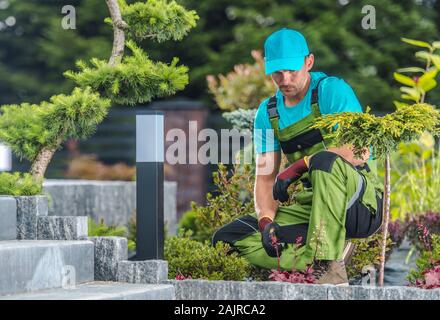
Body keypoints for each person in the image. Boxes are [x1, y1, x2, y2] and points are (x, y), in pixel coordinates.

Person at [212, 28, 384, 285]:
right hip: (311, 209)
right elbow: (266, 177)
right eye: (277, 72)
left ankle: (329, 271)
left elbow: (360, 151)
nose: (285, 79)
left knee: (325, 161)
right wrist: (266, 221)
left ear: (309, 62)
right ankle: (320, 259)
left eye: (292, 70)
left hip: (358, 204)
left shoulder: (331, 91)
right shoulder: (268, 113)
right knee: (229, 238)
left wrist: (303, 164)